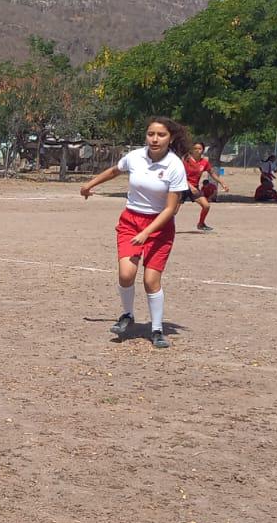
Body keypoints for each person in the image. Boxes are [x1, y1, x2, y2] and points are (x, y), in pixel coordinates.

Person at [79, 117, 190, 349]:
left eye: (161, 135)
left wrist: (147, 232)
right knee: (126, 274)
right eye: (151, 134)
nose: (155, 139)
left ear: (170, 138)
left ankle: (157, 330)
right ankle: (127, 315)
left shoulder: (175, 166)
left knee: (151, 281)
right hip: (131, 221)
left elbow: (170, 209)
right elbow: (114, 170)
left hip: (159, 226)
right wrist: (90, 184)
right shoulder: (135, 157)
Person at [182, 142, 229, 232]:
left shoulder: (204, 162)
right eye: (195, 148)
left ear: (203, 150)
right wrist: (190, 186)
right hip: (182, 187)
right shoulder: (186, 161)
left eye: (199, 149)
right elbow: (181, 176)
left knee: (206, 206)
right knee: (173, 211)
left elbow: (212, 173)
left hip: (195, 188)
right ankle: (162, 226)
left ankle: (201, 224)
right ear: (192, 150)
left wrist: (222, 183)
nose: (197, 150)